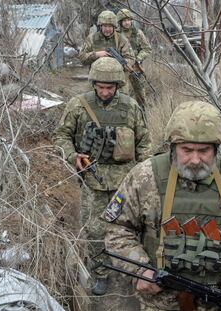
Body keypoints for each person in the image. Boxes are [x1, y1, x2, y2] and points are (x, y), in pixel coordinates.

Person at [104, 101, 221, 311]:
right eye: (186, 150)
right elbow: (117, 228)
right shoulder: (145, 177)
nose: (195, 160)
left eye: (204, 150)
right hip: (161, 303)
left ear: (216, 148)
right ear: (173, 147)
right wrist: (140, 270)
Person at [53, 57, 151, 296]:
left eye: (110, 87)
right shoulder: (79, 105)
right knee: (95, 231)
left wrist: (144, 175)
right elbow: (61, 136)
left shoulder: (130, 107)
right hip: (92, 180)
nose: (105, 92)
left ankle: (135, 273)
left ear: (118, 85)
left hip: (126, 182)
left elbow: (144, 143)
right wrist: (72, 155)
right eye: (100, 86)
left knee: (131, 229)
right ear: (93, 83)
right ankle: (100, 273)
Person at [79, 10, 135, 94]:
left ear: (114, 26)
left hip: (118, 83)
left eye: (110, 26)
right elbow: (82, 58)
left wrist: (117, 62)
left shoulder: (122, 40)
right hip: (97, 82)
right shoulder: (92, 38)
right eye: (105, 26)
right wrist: (97, 54)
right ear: (100, 26)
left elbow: (131, 59)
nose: (107, 29)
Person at [116, 8, 152, 107]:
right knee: (123, 93)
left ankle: (142, 112)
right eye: (124, 20)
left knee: (140, 93)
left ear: (131, 20)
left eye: (128, 20)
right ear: (120, 22)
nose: (127, 22)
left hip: (136, 67)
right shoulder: (116, 34)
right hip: (122, 68)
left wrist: (139, 58)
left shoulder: (138, 33)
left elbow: (147, 49)